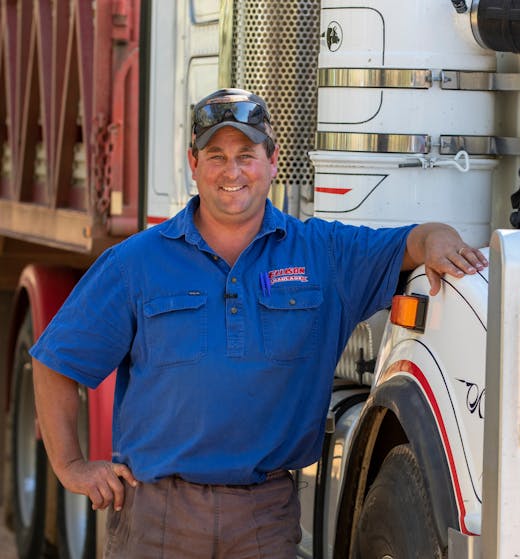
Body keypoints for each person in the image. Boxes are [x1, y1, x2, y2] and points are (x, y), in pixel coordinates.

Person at [30, 88, 488, 558]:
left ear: (272, 162)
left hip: (262, 521)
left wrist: (440, 239)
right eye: (216, 156)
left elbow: (412, 242)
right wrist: (70, 466)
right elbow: (56, 361)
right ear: (193, 163)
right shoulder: (136, 262)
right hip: (157, 520)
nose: (232, 172)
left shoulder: (323, 254)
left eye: (246, 155)